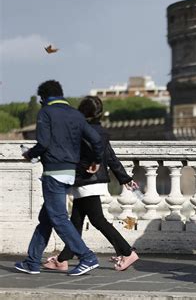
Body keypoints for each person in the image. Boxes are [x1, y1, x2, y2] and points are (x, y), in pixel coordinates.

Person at [15, 80, 103, 276]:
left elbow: (44, 143)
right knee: (46, 218)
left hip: (53, 172)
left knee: (59, 218)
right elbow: (96, 139)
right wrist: (96, 160)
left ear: (44, 98)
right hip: (69, 172)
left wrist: (30, 154)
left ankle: (87, 256)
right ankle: (32, 261)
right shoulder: (76, 114)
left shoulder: (46, 112)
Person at [42, 96, 140, 272]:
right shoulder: (100, 132)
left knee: (97, 220)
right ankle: (63, 258)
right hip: (95, 181)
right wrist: (124, 177)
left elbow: (78, 157)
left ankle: (127, 252)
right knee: (76, 221)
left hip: (85, 180)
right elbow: (110, 156)